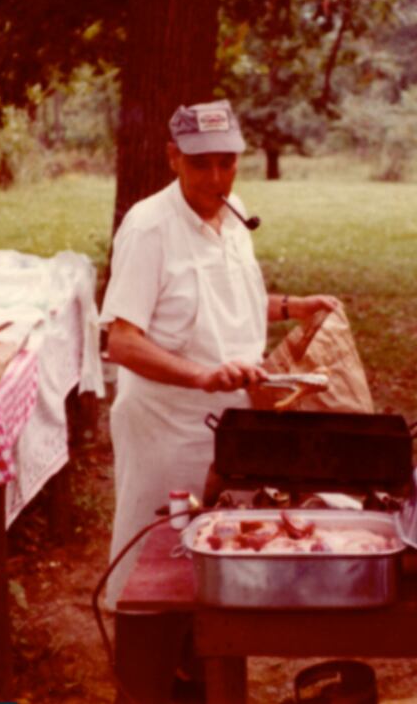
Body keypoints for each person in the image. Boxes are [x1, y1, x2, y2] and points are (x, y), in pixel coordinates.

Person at [101, 98, 337, 606]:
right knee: (158, 551)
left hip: (234, 417)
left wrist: (295, 306)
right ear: (172, 158)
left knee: (220, 543)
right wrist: (203, 377)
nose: (216, 177)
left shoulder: (235, 213)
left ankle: (201, 659)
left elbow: (232, 300)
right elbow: (121, 340)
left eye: (226, 162)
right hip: (168, 422)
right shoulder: (149, 228)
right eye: (200, 163)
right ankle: (147, 658)